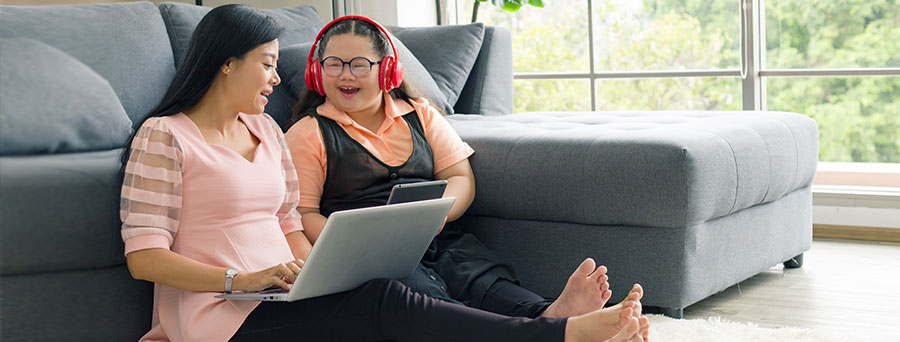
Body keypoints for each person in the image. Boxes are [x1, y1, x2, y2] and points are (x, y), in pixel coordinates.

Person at [121, 5, 648, 342]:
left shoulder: (263, 130)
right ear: (226, 63)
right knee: (387, 301)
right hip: (222, 312)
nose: (277, 77)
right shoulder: (165, 137)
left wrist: (319, 269)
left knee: (390, 292)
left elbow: (286, 223)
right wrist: (240, 279)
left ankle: (547, 321)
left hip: (281, 291)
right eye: (266, 62)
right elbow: (144, 258)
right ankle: (559, 335)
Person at [285, 13, 649, 336]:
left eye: (359, 65)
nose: (345, 75)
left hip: (438, 237)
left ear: (388, 70)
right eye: (334, 64)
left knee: (478, 276)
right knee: (426, 300)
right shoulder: (308, 133)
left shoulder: (419, 114)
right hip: (370, 255)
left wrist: (439, 211)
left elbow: (460, 177)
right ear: (318, 71)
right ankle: (549, 330)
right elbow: (303, 215)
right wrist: (349, 238)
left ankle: (550, 313)